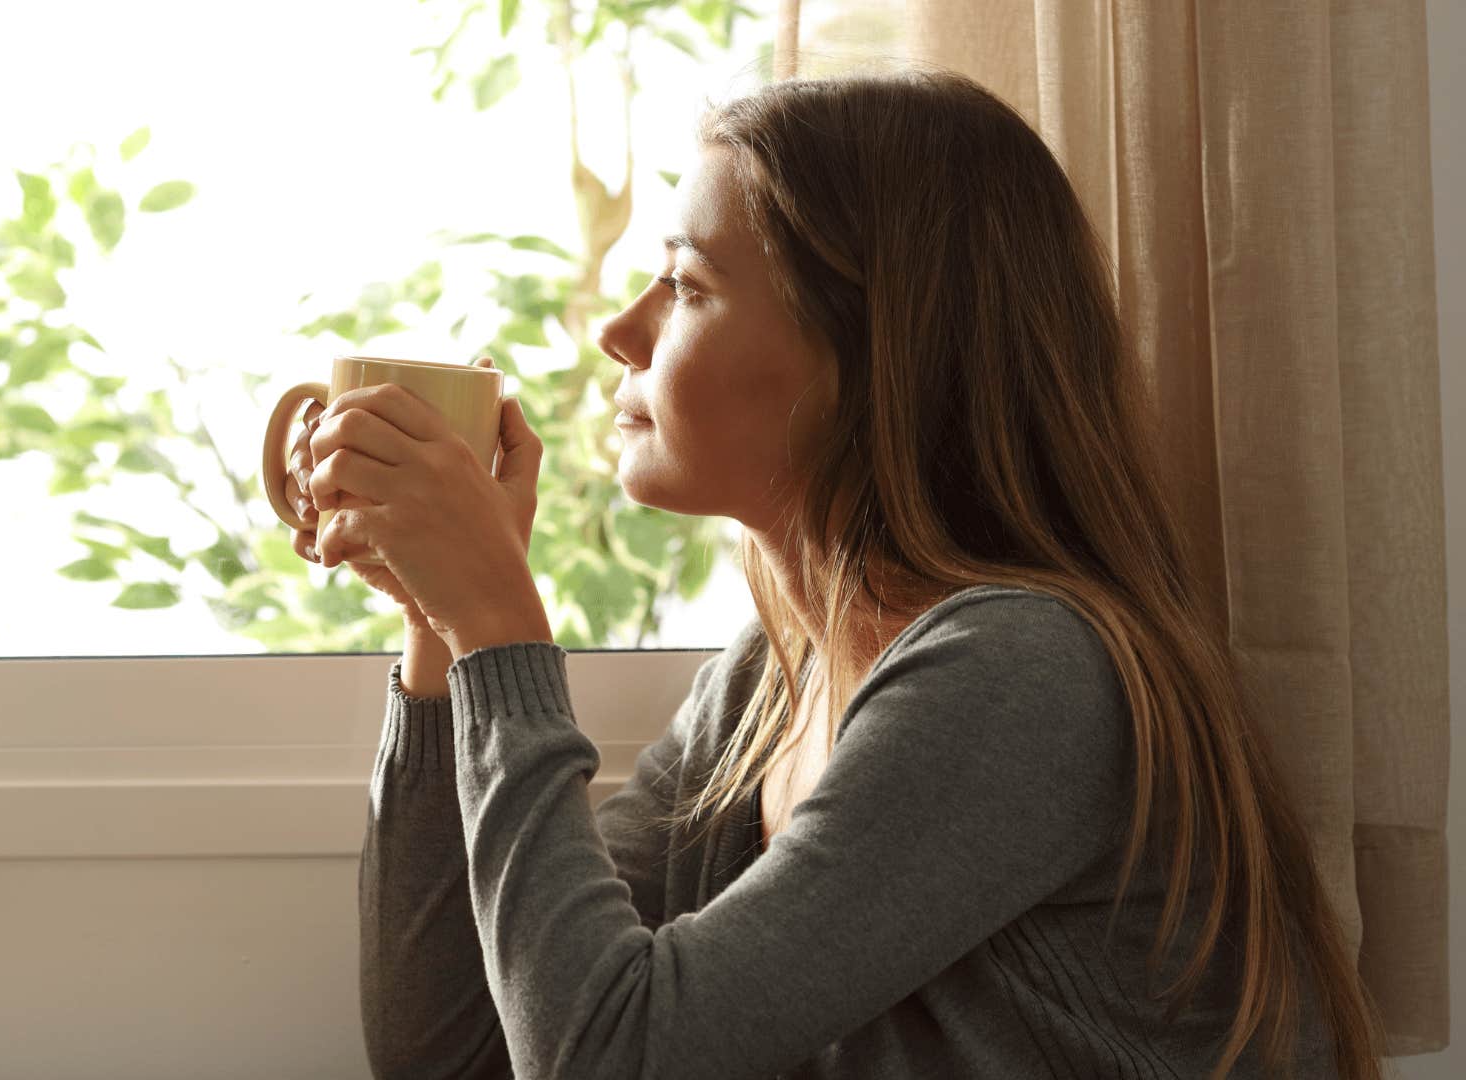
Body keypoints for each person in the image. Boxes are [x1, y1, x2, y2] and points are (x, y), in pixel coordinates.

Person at [284, 67, 1385, 1079]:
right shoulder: (774, 679)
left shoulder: (1022, 673)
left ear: (869, 356)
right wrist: (440, 633)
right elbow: (449, 1052)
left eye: (687, 286)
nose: (622, 331)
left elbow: (608, 1058)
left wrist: (497, 627)